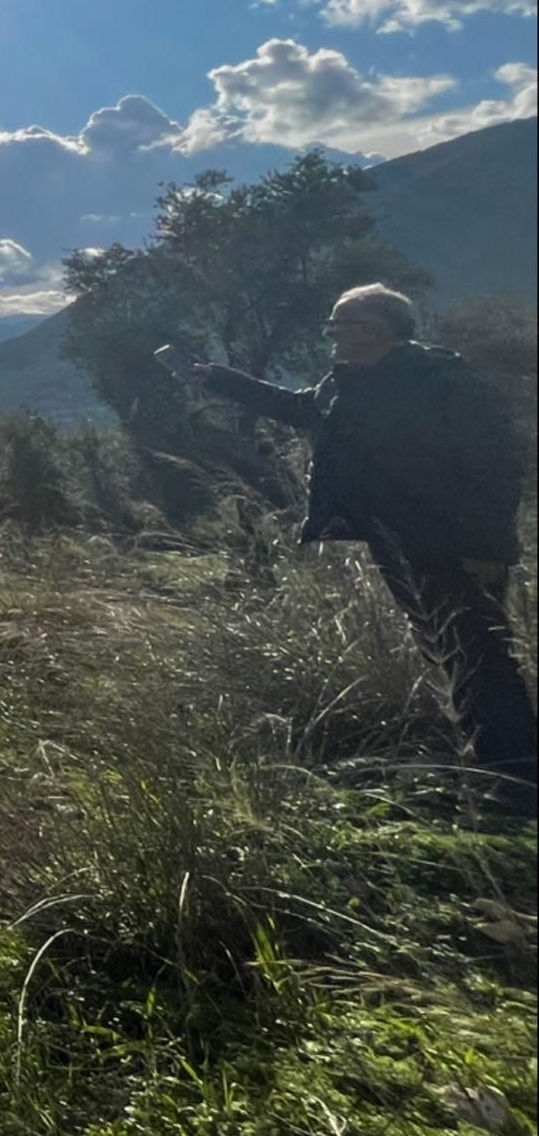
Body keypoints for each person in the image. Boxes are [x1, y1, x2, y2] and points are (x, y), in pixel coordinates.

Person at [159, 284, 533, 813]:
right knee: (448, 650)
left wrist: (486, 546)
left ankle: (520, 786)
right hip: (397, 541)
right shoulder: (346, 384)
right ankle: (492, 767)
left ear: (372, 329)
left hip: (454, 543)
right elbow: (297, 407)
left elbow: (495, 466)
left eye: (339, 324)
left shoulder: (443, 381)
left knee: (482, 654)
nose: (331, 334)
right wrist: (220, 379)